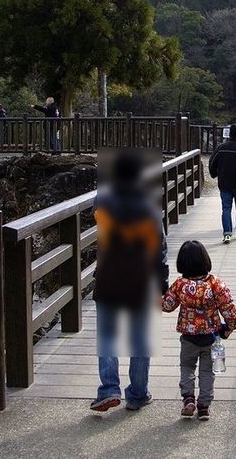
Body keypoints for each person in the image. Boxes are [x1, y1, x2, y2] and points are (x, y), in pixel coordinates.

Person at [89, 149, 169, 413]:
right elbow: (159, 247)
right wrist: (162, 282)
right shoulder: (149, 204)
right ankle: (137, 394)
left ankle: (109, 389)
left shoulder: (103, 198)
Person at [161, 240, 236, 421]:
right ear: (206, 260)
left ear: (182, 263)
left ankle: (188, 398)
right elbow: (228, 309)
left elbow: (167, 305)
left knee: (187, 367)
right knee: (207, 371)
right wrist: (229, 328)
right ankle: (204, 406)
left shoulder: (180, 285)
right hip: (211, 337)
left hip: (188, 338)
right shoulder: (216, 284)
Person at [208, 124, 236, 243]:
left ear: (230, 133)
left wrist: (214, 174)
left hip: (224, 183)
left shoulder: (221, 147)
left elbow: (212, 163)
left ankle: (227, 233)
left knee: (226, 208)